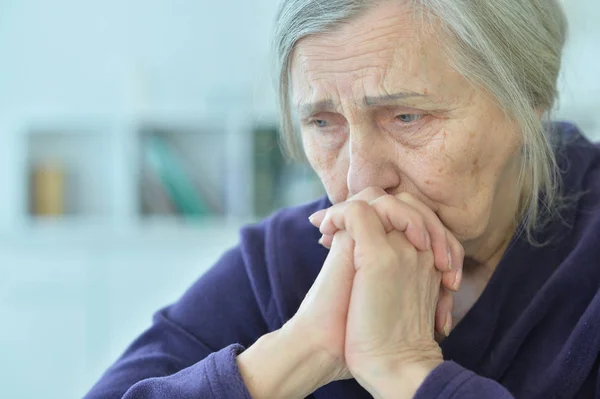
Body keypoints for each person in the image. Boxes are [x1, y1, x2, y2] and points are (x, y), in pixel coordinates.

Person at [85, 0, 600, 398]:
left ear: (530, 101)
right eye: (323, 123)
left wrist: (404, 369)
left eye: (407, 117)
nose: (360, 180)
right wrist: (300, 351)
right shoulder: (286, 256)